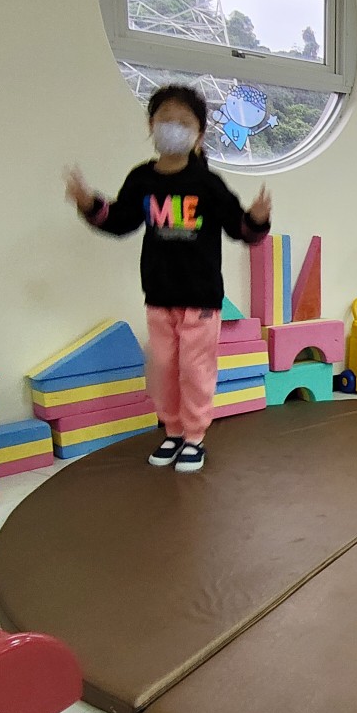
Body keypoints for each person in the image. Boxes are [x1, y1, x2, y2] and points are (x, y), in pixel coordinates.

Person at [65, 84, 271, 472]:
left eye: (183, 122)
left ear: (199, 134)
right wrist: (90, 204)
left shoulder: (207, 184)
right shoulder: (142, 179)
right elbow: (121, 220)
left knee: (195, 369)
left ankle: (194, 436)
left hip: (201, 297)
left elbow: (239, 228)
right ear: (151, 125)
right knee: (162, 368)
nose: (173, 127)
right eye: (166, 119)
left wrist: (257, 219)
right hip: (159, 295)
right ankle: (173, 431)